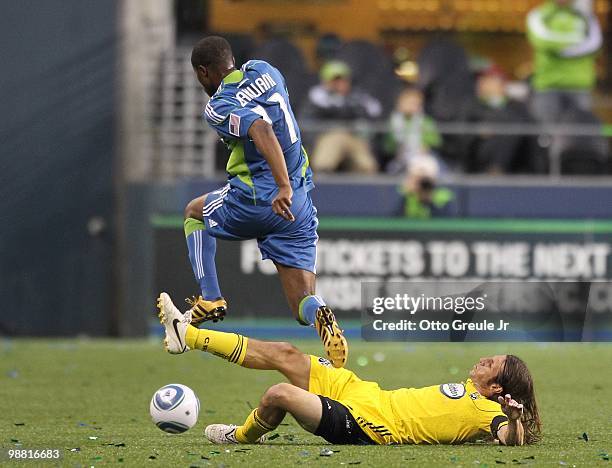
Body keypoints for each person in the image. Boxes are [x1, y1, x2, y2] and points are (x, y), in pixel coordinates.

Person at [158, 294, 541, 446]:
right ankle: (187, 334)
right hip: (363, 392)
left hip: (364, 424)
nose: (484, 360)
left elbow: (511, 438)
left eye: (492, 365)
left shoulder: (486, 409)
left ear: (496, 388)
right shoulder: (469, 390)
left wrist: (513, 418)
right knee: (286, 353)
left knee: (278, 394)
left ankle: (240, 436)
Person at [176, 36, 348, 367]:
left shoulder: (218, 105)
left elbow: (261, 129)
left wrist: (279, 185)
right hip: (298, 201)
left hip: (258, 198)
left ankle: (210, 298)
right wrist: (287, 187)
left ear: (203, 72)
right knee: (302, 301)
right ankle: (321, 312)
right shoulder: (265, 70)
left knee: (194, 213)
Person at [300, 60, 382, 173]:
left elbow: (373, 114)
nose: (340, 84)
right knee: (324, 162)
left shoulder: (359, 98)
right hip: (325, 138)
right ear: (325, 82)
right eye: (335, 80)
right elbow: (307, 126)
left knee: (367, 166)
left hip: (354, 137)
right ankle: (322, 183)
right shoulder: (316, 98)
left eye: (343, 80)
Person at [527, 0, 602, 120]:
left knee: (578, 132)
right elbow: (541, 41)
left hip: (579, 85)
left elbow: (595, 43)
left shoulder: (586, 16)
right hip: (548, 84)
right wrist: (576, 44)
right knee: (545, 132)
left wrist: (559, 48)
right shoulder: (539, 15)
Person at [461, 66, 534, 174]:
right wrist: (478, 131)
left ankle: (497, 168)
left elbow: (524, 127)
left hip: (513, 160)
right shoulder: (472, 107)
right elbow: (462, 133)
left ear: (501, 84)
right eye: (481, 80)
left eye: (488, 79)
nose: (481, 83)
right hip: (479, 156)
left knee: (511, 127)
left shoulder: (516, 107)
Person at [384, 87, 442, 174]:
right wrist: (396, 147)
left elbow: (436, 141)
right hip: (399, 158)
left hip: (423, 157)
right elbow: (387, 145)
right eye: (408, 103)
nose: (411, 106)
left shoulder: (425, 121)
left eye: (415, 103)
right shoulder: (393, 122)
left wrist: (425, 144)